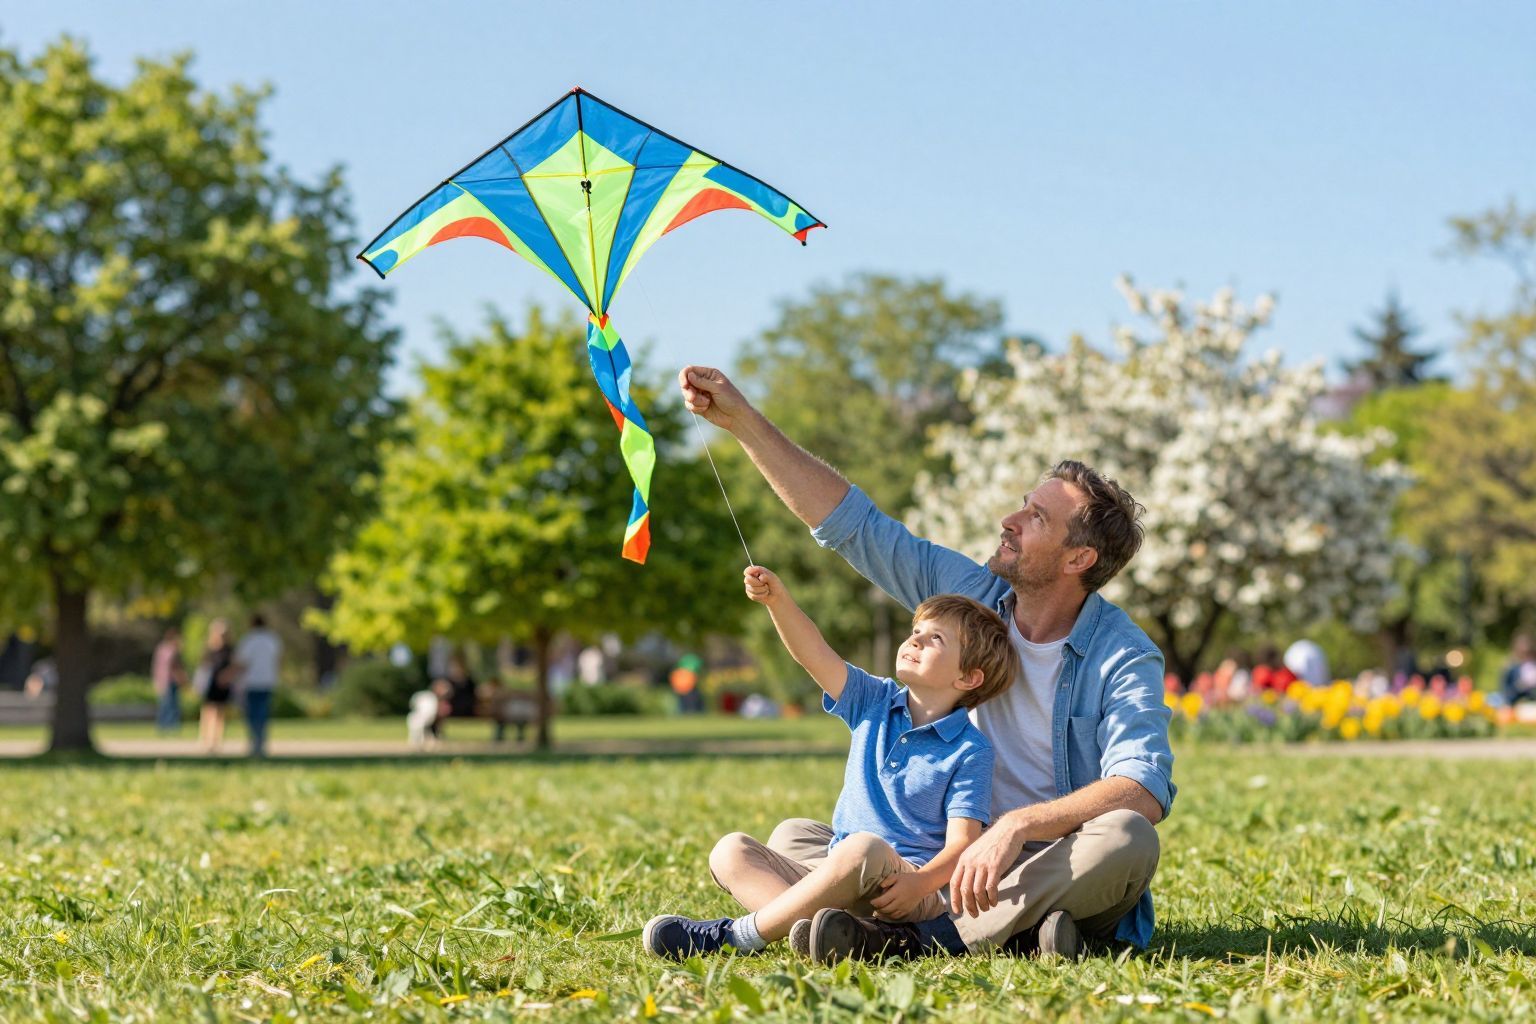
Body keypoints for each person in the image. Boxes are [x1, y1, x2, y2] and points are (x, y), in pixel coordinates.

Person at [678, 365, 1173, 962]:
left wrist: (1017, 826)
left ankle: (918, 938)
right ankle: (1013, 934)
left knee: (1126, 837)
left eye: (1036, 518)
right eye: (1023, 505)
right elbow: (854, 528)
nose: (1008, 522)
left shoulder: (1122, 654)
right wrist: (742, 422)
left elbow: (1143, 787)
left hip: (1044, 858)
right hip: (934, 858)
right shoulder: (971, 599)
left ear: (1079, 558)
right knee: (798, 838)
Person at [642, 567, 1017, 960]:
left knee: (862, 849)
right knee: (735, 849)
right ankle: (823, 931)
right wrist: (778, 602)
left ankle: (740, 935)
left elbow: (963, 845)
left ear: (969, 678)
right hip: (842, 865)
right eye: (916, 631)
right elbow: (814, 655)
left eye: (935, 638)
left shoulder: (970, 749)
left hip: (904, 893)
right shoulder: (875, 700)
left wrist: (920, 885)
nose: (915, 641)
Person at [232, 614, 282, 758]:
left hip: (251, 682)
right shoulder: (272, 639)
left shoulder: (249, 640)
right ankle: (261, 742)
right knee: (263, 713)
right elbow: (277, 659)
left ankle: (255, 742)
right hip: (268, 681)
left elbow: (242, 662)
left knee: (253, 714)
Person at [196, 619, 236, 753]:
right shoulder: (209, 649)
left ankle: (216, 741)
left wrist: (227, 676)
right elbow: (203, 667)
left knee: (220, 712)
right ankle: (206, 739)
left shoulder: (229, 650)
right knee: (208, 711)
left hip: (223, 684)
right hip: (210, 684)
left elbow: (233, 665)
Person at [151, 626, 187, 732]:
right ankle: (169, 725)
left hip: (165, 680)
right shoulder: (170, 650)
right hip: (169, 680)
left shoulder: (161, 649)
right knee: (170, 704)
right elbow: (174, 666)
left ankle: (165, 725)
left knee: (167, 703)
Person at [1502, 634, 1536, 707]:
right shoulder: (1510, 668)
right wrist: (1518, 686)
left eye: (1527, 652)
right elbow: (1505, 694)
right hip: (1515, 707)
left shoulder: (1533, 665)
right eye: (1523, 653)